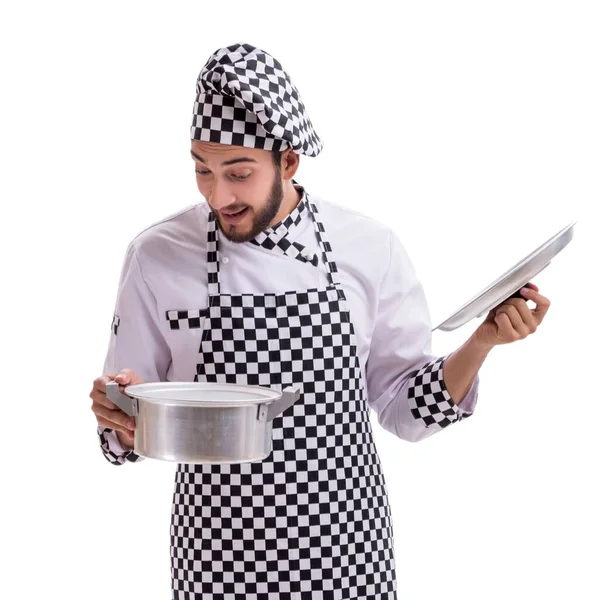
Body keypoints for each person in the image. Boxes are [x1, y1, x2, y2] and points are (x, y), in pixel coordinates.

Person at [90, 42, 551, 600]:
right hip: (214, 558)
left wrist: (482, 342)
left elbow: (407, 410)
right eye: (202, 170)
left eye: (238, 173)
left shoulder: (368, 247)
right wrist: (118, 411)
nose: (219, 195)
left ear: (288, 161)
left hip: (348, 555)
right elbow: (124, 430)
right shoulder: (155, 255)